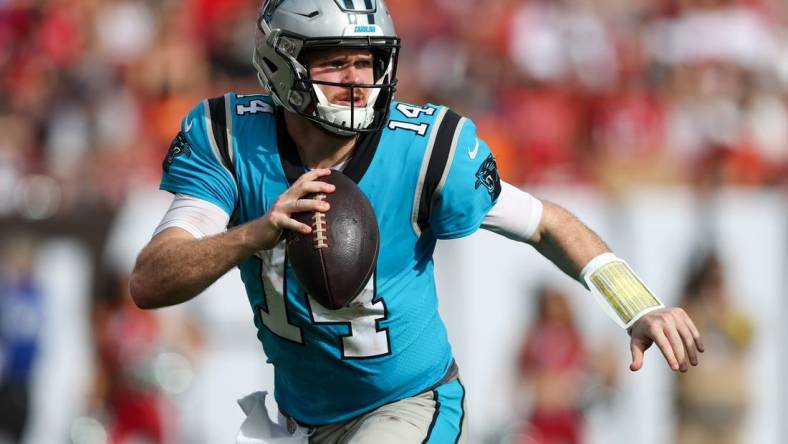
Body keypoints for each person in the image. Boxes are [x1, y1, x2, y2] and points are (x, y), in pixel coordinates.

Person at [129, 1, 704, 442]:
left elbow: (547, 222)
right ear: (282, 63)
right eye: (335, 62)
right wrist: (258, 232)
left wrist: (637, 304)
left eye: (367, 60)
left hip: (410, 402)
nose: (357, 78)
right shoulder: (232, 141)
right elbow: (151, 281)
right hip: (300, 418)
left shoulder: (425, 150)